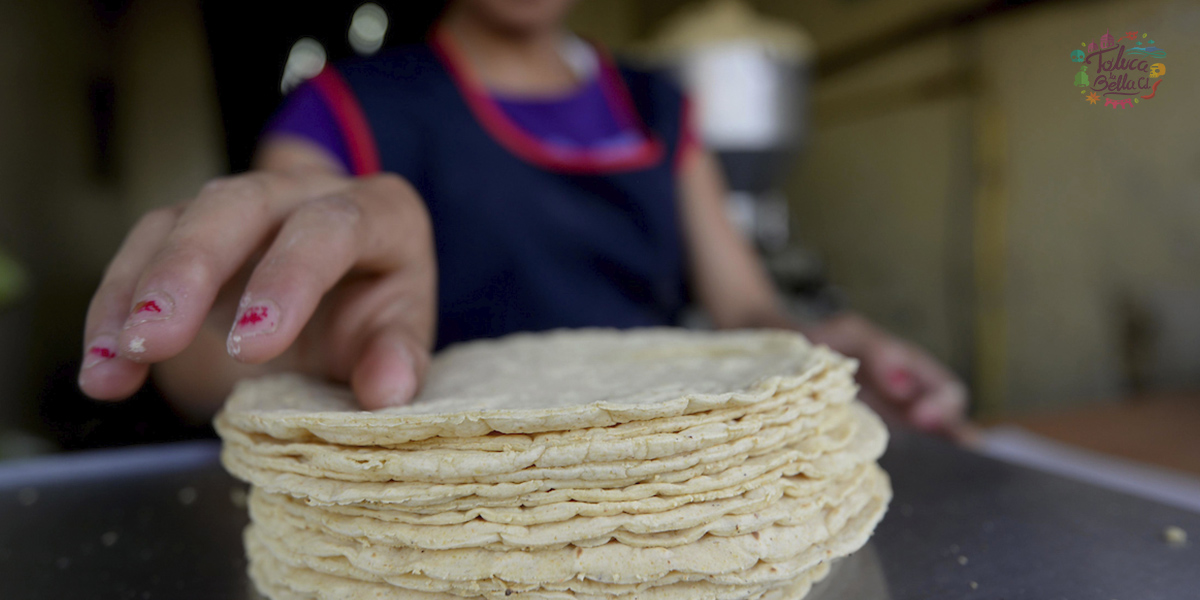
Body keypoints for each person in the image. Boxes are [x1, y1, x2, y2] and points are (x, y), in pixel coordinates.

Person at [77, 0, 968, 438]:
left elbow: (743, 310)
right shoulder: (348, 106)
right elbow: (208, 355)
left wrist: (820, 348)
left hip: (655, 492)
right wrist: (239, 328)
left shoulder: (659, 105)